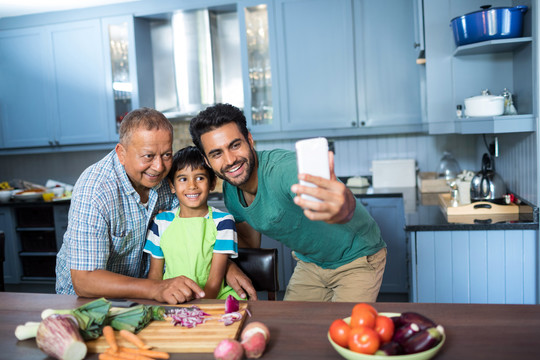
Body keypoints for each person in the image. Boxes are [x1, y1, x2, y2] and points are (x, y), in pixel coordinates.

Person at [55, 107, 256, 304]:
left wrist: (225, 265)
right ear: (121, 153)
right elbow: (84, 280)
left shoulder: (164, 178)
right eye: (148, 156)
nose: (159, 167)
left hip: (142, 299)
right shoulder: (95, 190)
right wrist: (156, 288)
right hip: (86, 302)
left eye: (166, 154)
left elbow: (192, 232)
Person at [189, 103, 387, 302]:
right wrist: (223, 262)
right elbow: (249, 243)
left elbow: (339, 202)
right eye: (217, 153)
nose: (230, 159)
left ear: (249, 139)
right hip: (311, 264)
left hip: (357, 258)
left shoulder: (284, 170)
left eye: (235, 145)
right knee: (292, 328)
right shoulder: (231, 193)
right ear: (207, 161)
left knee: (345, 331)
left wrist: (343, 206)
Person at [143, 146, 241, 300]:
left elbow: (214, 282)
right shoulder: (161, 222)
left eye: (200, 177)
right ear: (172, 186)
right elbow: (155, 276)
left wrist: (196, 312)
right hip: (173, 299)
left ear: (212, 183)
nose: (192, 186)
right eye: (183, 179)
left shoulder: (223, 222)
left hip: (213, 299)